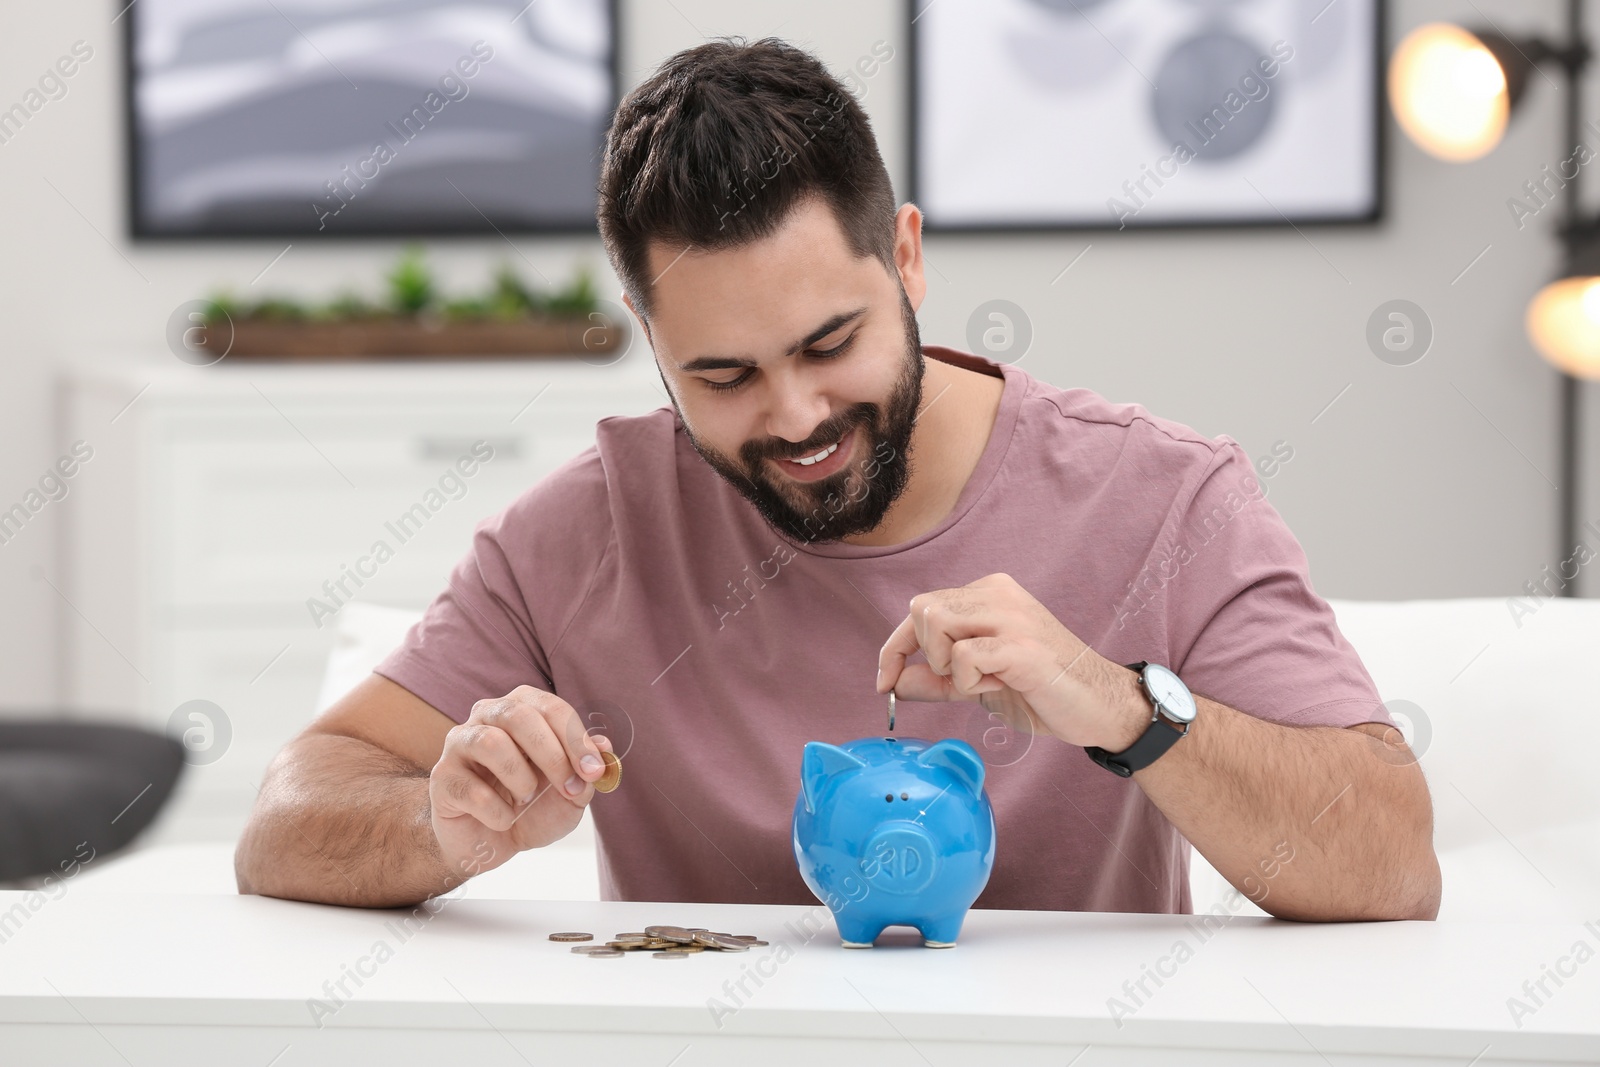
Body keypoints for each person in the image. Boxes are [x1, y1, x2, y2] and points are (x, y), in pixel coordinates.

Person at [235, 37, 1439, 921]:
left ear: (906, 259)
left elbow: (1391, 863)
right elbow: (287, 818)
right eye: (722, 374)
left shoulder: (1165, 498)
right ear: (648, 336)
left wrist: (1113, 701)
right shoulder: (582, 531)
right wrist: (440, 826)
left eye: (827, 345)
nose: (796, 416)